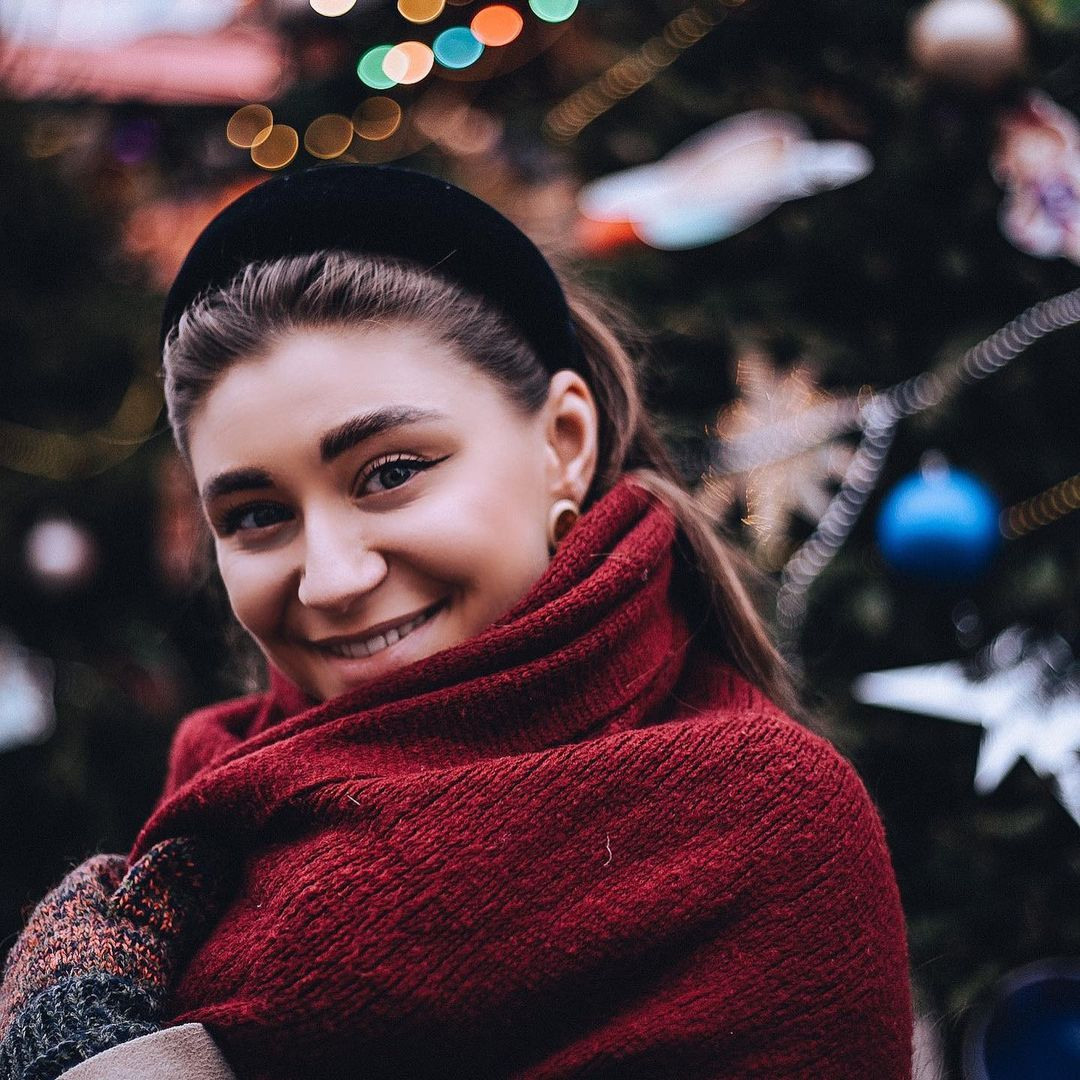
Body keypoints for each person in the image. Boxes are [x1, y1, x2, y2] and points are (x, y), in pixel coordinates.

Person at [0, 165, 914, 1079]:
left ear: (563, 442)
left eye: (391, 471)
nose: (331, 577)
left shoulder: (758, 824)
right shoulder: (214, 817)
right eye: (255, 515)